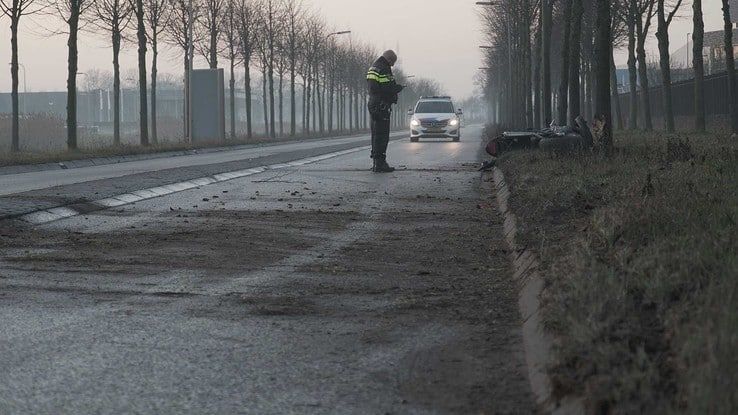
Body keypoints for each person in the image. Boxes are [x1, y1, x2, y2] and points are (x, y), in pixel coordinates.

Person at [366, 50, 404, 173]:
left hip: (373, 104)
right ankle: (380, 163)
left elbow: (374, 87)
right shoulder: (384, 68)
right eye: (392, 62)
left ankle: (376, 162)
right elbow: (387, 88)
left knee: (375, 133)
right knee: (382, 134)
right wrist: (397, 88)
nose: (392, 65)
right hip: (382, 105)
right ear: (389, 59)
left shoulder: (373, 67)